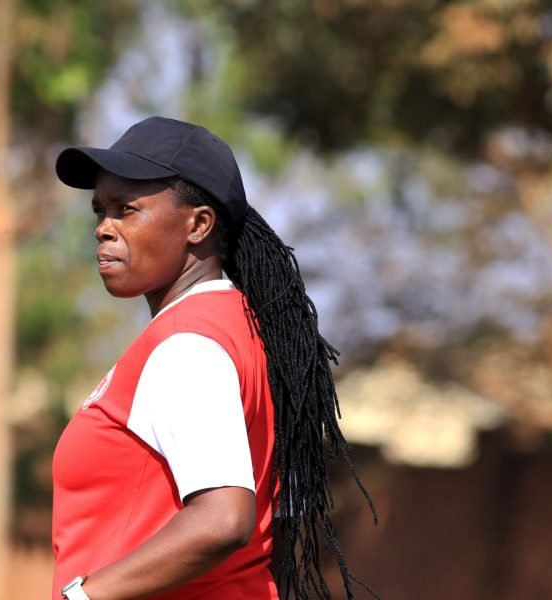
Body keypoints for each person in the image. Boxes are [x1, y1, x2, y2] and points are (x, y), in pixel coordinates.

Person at [51, 117, 376, 600]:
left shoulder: (188, 345)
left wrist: (83, 597)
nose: (103, 229)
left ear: (199, 224)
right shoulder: (234, 326)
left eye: (127, 210)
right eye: (100, 210)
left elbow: (224, 518)